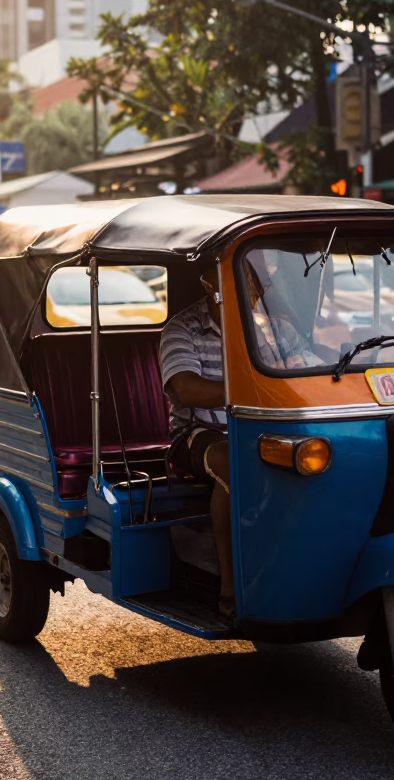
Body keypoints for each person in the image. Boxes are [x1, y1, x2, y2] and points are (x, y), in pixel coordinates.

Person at [159, 262, 318, 620]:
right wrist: (260, 388)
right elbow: (187, 389)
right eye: (243, 273)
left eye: (258, 275)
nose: (255, 284)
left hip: (265, 430)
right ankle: (231, 590)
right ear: (210, 280)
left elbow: (310, 374)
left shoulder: (277, 329)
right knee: (237, 465)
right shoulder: (183, 329)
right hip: (200, 433)